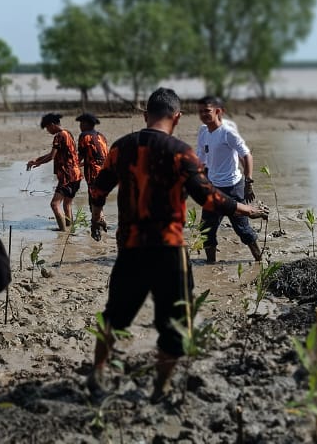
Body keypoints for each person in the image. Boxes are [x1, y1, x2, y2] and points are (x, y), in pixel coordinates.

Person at [86, 88, 264, 402]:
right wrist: (244, 208)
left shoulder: (121, 148)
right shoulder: (181, 153)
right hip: (168, 250)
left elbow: (98, 190)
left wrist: (97, 217)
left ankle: (98, 373)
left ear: (145, 115)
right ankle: (160, 388)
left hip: (130, 248)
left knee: (114, 315)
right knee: (175, 324)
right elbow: (208, 197)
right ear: (177, 117)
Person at [195, 96, 261, 263]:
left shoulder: (227, 133)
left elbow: (246, 155)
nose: (203, 114)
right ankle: (210, 264)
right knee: (206, 230)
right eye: (201, 111)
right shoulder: (203, 132)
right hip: (212, 187)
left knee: (243, 229)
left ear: (218, 111)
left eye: (207, 111)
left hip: (232, 187)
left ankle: (260, 261)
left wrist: (249, 182)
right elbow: (201, 157)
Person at [26, 113, 81, 232]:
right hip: (76, 174)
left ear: (52, 125)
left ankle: (62, 233)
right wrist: (38, 160)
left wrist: (37, 163)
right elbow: (54, 154)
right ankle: (70, 231)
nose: (47, 130)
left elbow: (51, 156)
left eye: (47, 128)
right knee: (67, 205)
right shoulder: (68, 134)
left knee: (54, 205)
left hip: (67, 175)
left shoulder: (59, 136)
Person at [75, 112, 109, 239]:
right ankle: (101, 220)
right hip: (105, 170)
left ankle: (97, 226)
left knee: (93, 200)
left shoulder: (84, 136)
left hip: (93, 172)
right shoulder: (101, 136)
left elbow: (81, 155)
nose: (80, 126)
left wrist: (74, 167)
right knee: (98, 198)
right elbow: (100, 156)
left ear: (86, 124)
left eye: (81, 123)